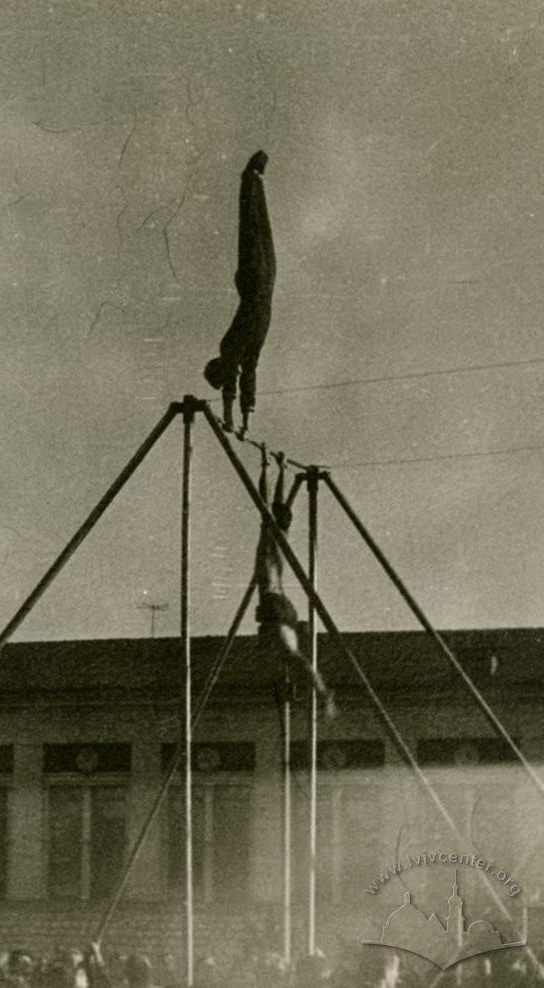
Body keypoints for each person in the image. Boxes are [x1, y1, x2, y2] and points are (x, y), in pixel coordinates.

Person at [255, 450, 336, 719]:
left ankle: (322, 693)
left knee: (290, 657)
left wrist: (268, 465)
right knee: (290, 656)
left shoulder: (270, 540)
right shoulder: (280, 538)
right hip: (280, 606)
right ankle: (321, 692)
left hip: (275, 604)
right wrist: (279, 469)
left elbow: (265, 501)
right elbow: (276, 505)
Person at [204, 150, 276, 436]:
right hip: (256, 287)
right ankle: (252, 178)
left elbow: (243, 381)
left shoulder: (233, 351)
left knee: (259, 231)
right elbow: (241, 381)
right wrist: (234, 423)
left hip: (265, 291)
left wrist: (237, 424)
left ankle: (254, 178)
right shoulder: (231, 351)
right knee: (252, 229)